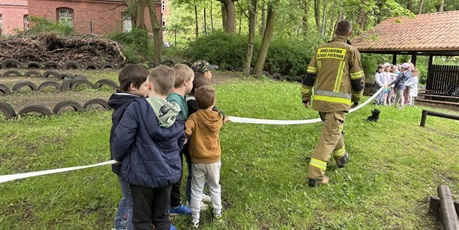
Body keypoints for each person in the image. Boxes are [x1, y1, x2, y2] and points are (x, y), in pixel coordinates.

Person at [112, 65, 184, 230]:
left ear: (149, 84)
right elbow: (181, 141)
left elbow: (122, 140)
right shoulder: (175, 112)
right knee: (162, 219)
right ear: (172, 89)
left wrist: (119, 158)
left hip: (140, 175)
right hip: (167, 174)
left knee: (141, 221)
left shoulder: (136, 108)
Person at [301, 19, 365, 187]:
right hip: (338, 104)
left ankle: (341, 157)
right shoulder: (351, 51)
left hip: (321, 102)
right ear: (349, 34)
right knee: (329, 136)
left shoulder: (321, 49)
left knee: (333, 130)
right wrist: (357, 99)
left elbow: (309, 75)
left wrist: (306, 95)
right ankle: (315, 175)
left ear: (335, 31)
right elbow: (358, 80)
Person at [108, 64, 150, 230]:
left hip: (124, 163)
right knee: (135, 207)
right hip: (126, 164)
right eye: (146, 85)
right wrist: (120, 159)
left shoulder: (126, 101)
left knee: (128, 197)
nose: (149, 88)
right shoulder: (131, 108)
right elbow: (122, 140)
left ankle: (119, 226)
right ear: (133, 86)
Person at [185, 85, 227, 228]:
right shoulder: (219, 117)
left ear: (196, 101)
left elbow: (186, 130)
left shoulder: (194, 117)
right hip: (214, 160)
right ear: (214, 101)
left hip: (197, 160)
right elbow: (222, 120)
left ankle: (195, 219)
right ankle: (218, 214)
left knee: (196, 189)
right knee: (215, 187)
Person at [167, 64, 194, 215]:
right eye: (192, 81)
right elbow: (171, 125)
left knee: (178, 174)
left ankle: (174, 203)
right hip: (173, 145)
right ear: (185, 82)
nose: (193, 84)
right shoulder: (174, 101)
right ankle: (172, 206)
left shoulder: (180, 98)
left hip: (178, 144)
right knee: (174, 175)